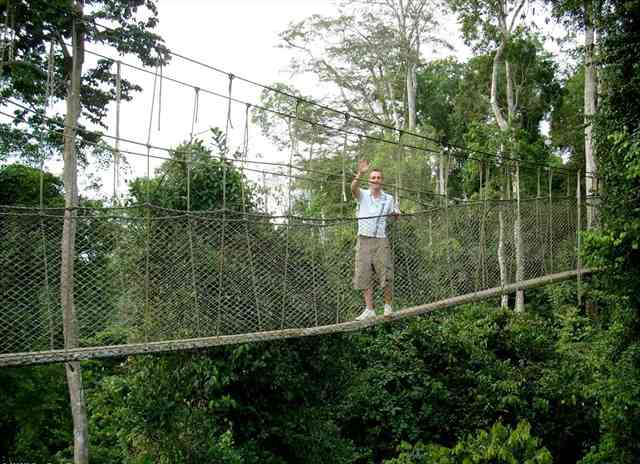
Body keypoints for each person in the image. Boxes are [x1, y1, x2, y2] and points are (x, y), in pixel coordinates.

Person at [351, 159, 399, 320]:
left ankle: (387, 306)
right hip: (363, 239)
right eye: (373, 178)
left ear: (382, 181)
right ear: (369, 180)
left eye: (378, 178)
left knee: (385, 273)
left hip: (380, 240)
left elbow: (392, 216)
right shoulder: (363, 194)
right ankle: (369, 309)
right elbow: (352, 187)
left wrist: (395, 215)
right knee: (363, 274)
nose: (376, 180)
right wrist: (361, 173)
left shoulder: (389, 199)